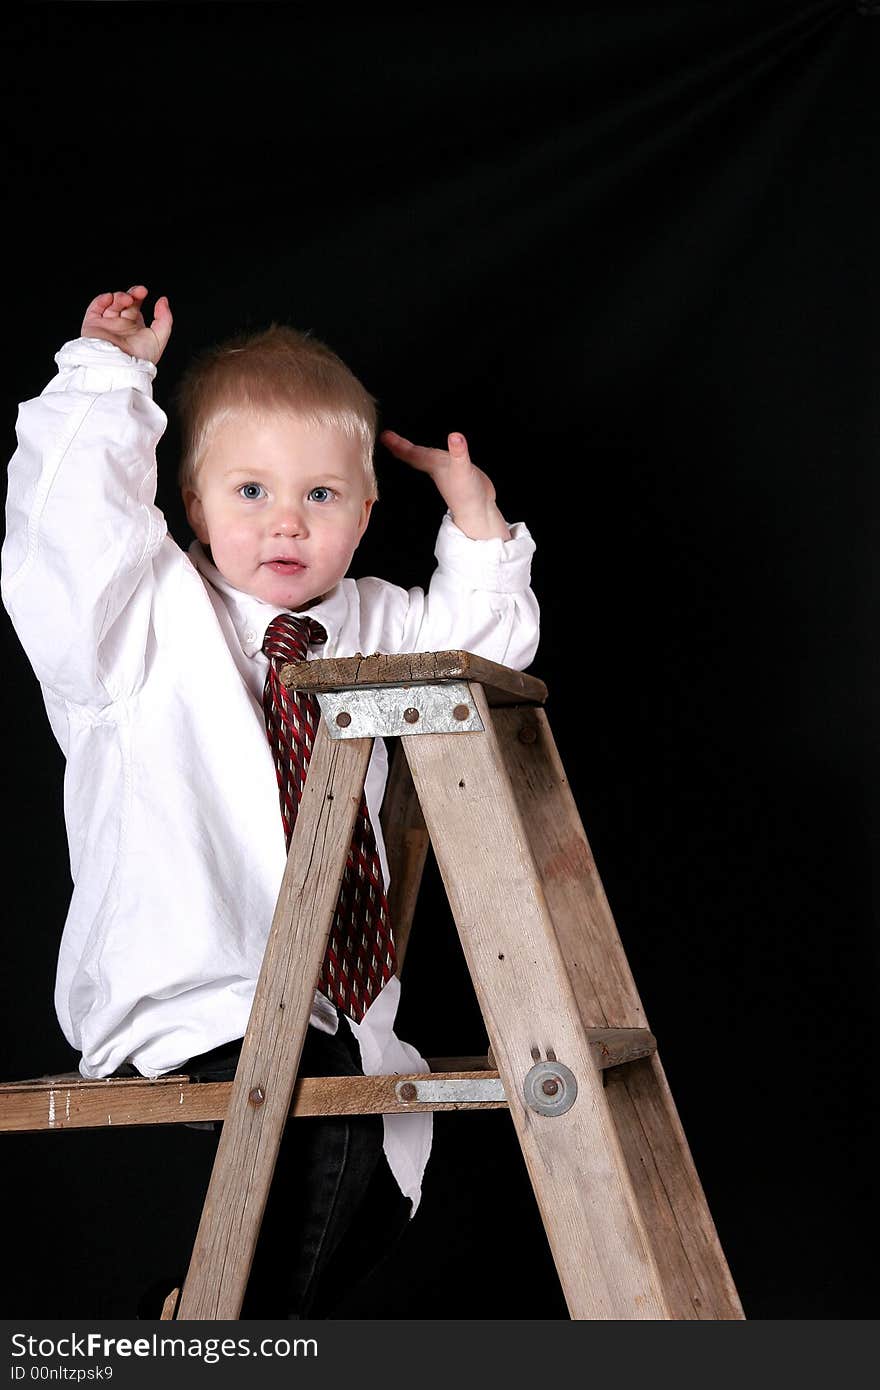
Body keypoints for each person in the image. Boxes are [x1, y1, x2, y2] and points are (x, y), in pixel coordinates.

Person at [1, 285, 540, 1317]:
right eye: (249, 491)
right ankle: (220, 1342)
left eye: (321, 497)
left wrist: (478, 526)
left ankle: (201, 1321)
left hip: (335, 1001)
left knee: (380, 1178)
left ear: (365, 513)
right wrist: (107, 380)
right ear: (190, 506)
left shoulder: (376, 619)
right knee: (325, 1116)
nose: (285, 521)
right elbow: (61, 549)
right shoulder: (140, 615)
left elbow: (484, 661)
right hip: (189, 974)